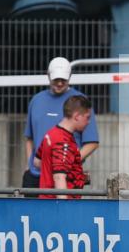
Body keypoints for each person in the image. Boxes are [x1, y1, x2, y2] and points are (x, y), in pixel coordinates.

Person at [23, 57, 99, 193]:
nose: (59, 83)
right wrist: (28, 164)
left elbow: (92, 142)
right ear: (48, 76)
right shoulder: (36, 100)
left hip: (65, 176)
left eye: (63, 80)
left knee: (64, 212)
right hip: (36, 174)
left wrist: (69, 163)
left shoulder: (80, 102)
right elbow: (29, 138)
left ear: (70, 77)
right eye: (55, 79)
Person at [35, 95, 93, 200]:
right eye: (87, 117)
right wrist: (64, 210)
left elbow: (37, 162)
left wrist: (76, 175)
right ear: (77, 116)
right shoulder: (64, 142)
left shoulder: (51, 133)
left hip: (47, 201)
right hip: (58, 205)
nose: (88, 122)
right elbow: (59, 177)